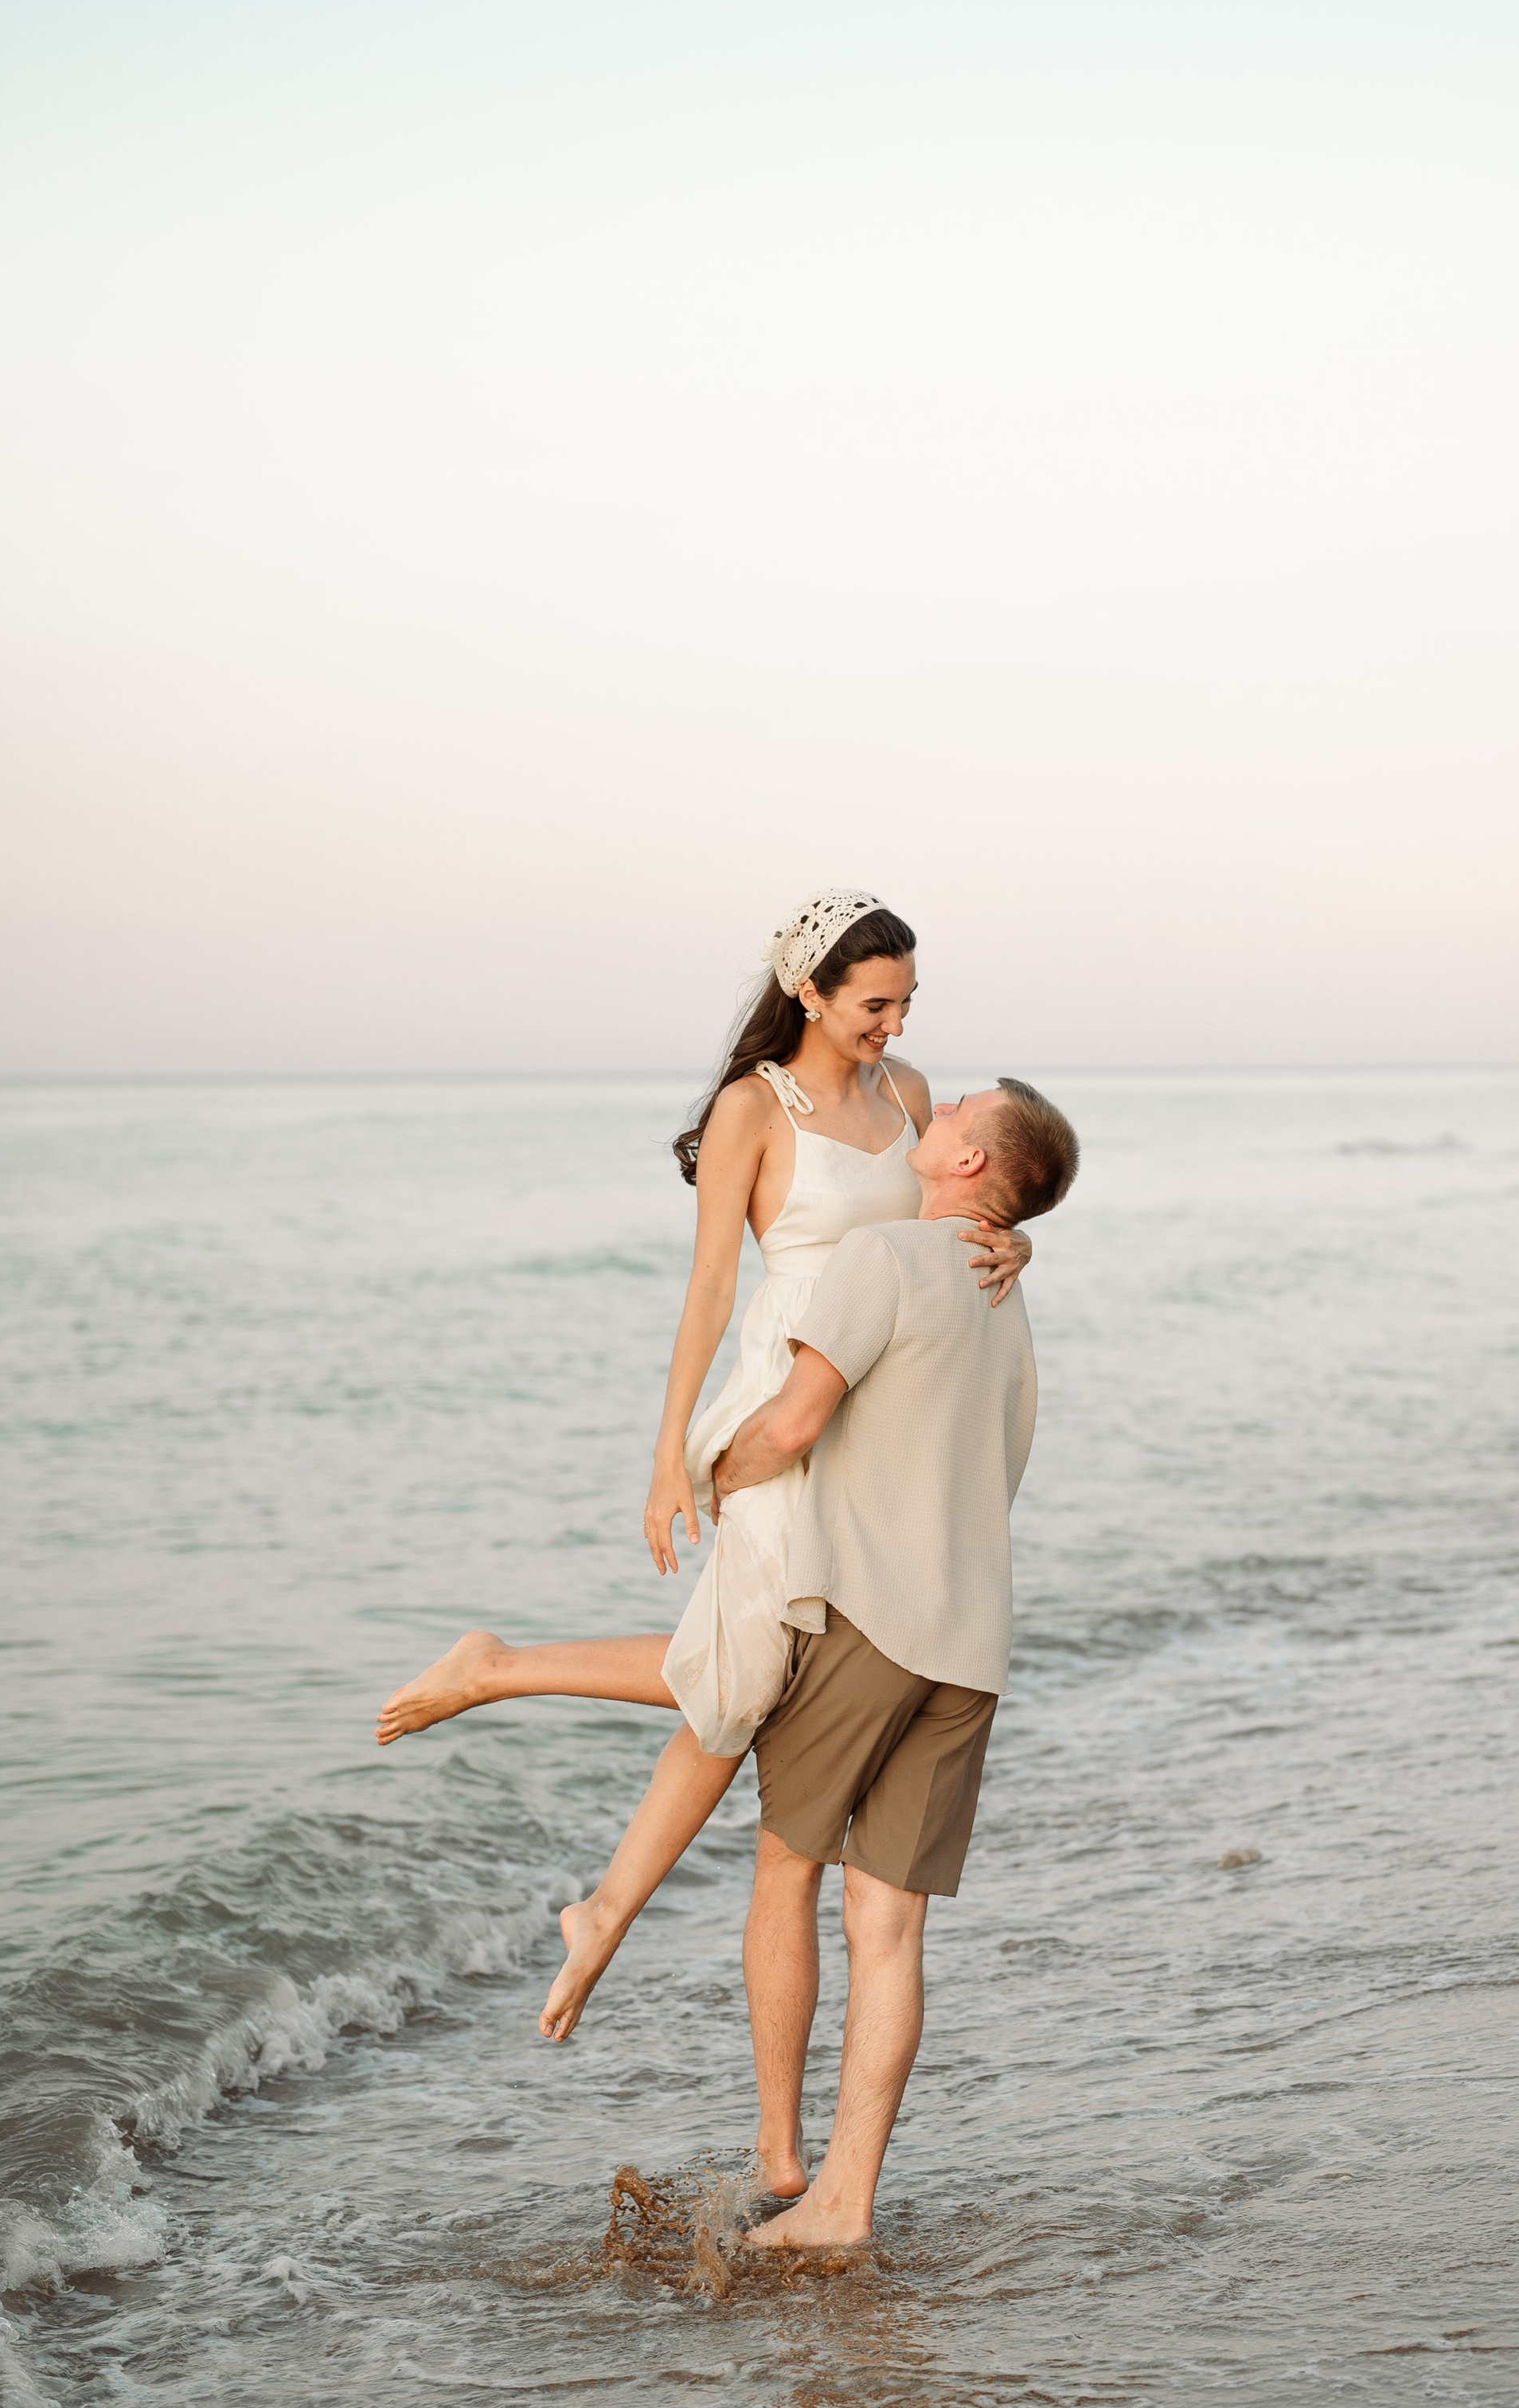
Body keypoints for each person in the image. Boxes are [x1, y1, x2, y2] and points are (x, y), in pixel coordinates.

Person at [373, 891, 1027, 2186]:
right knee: (747, 1672)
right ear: (812, 997)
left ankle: (582, 1853)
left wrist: (1011, 1246)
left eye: (905, 1001)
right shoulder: (753, 1110)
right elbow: (711, 1289)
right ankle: (534, 1752)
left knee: (741, 1678)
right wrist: (671, 1455)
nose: (894, 1023)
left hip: (872, 1407)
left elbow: (950, 1221)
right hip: (784, 1396)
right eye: (872, 1003)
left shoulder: (913, 1094)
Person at [541, 1076, 1081, 2250]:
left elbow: (790, 1425)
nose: (928, 1120)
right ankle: (842, 2203)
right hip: (970, 1646)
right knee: (888, 1929)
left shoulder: (884, 1260)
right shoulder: (1003, 1293)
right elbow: (1006, 1451)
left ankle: (788, 2155)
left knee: (784, 1869)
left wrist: (714, 1481)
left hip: (870, 1629)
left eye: (950, 1120)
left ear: (972, 1166)